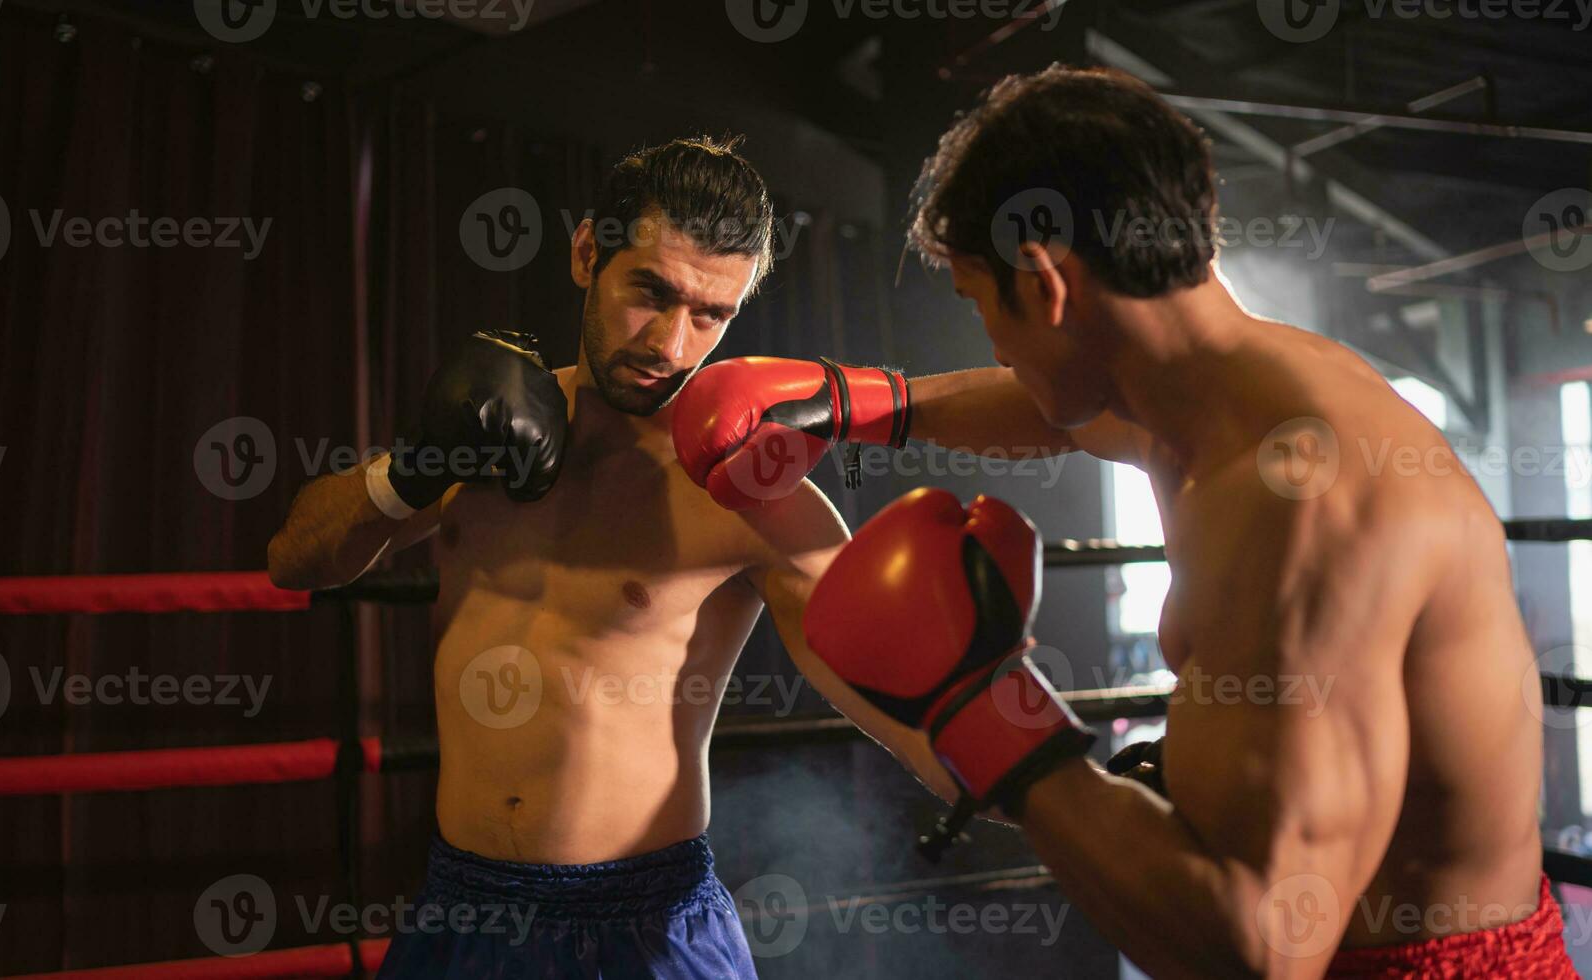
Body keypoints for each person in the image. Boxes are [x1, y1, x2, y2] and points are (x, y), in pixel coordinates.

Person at [679, 66, 1576, 976]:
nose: (990, 339)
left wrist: (984, 711)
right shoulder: (1215, 388)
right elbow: (1049, 406)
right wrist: (860, 401)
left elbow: (1261, 948)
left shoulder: (1305, 500)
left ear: (1045, 280)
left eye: (978, 300)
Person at [265, 136, 956, 978]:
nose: (670, 343)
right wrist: (411, 469)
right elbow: (295, 560)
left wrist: (1068, 792)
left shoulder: (747, 488)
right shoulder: (485, 427)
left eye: (710, 314)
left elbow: (890, 690)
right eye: (651, 293)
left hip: (645, 922)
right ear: (588, 251)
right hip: (461, 905)